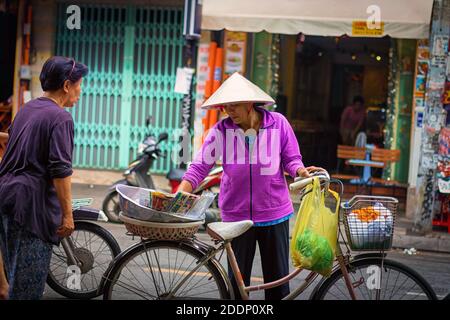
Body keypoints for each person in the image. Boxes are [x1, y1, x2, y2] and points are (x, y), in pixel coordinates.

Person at [177, 72, 322, 300]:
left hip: (275, 212)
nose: (229, 111)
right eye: (226, 107)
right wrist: (179, 195)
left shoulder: (278, 124)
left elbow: (291, 158)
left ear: (249, 103)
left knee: (277, 284)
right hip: (236, 215)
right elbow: (198, 167)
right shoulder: (221, 132)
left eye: (234, 106)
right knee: (237, 285)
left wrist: (300, 171)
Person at [0, 56, 88, 299]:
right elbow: (61, 171)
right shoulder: (61, 118)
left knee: (14, 276)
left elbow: (15, 139)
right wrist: (67, 215)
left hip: (7, 198)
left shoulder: (28, 109)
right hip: (31, 207)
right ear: (67, 85)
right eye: (79, 85)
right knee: (27, 288)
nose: (80, 91)